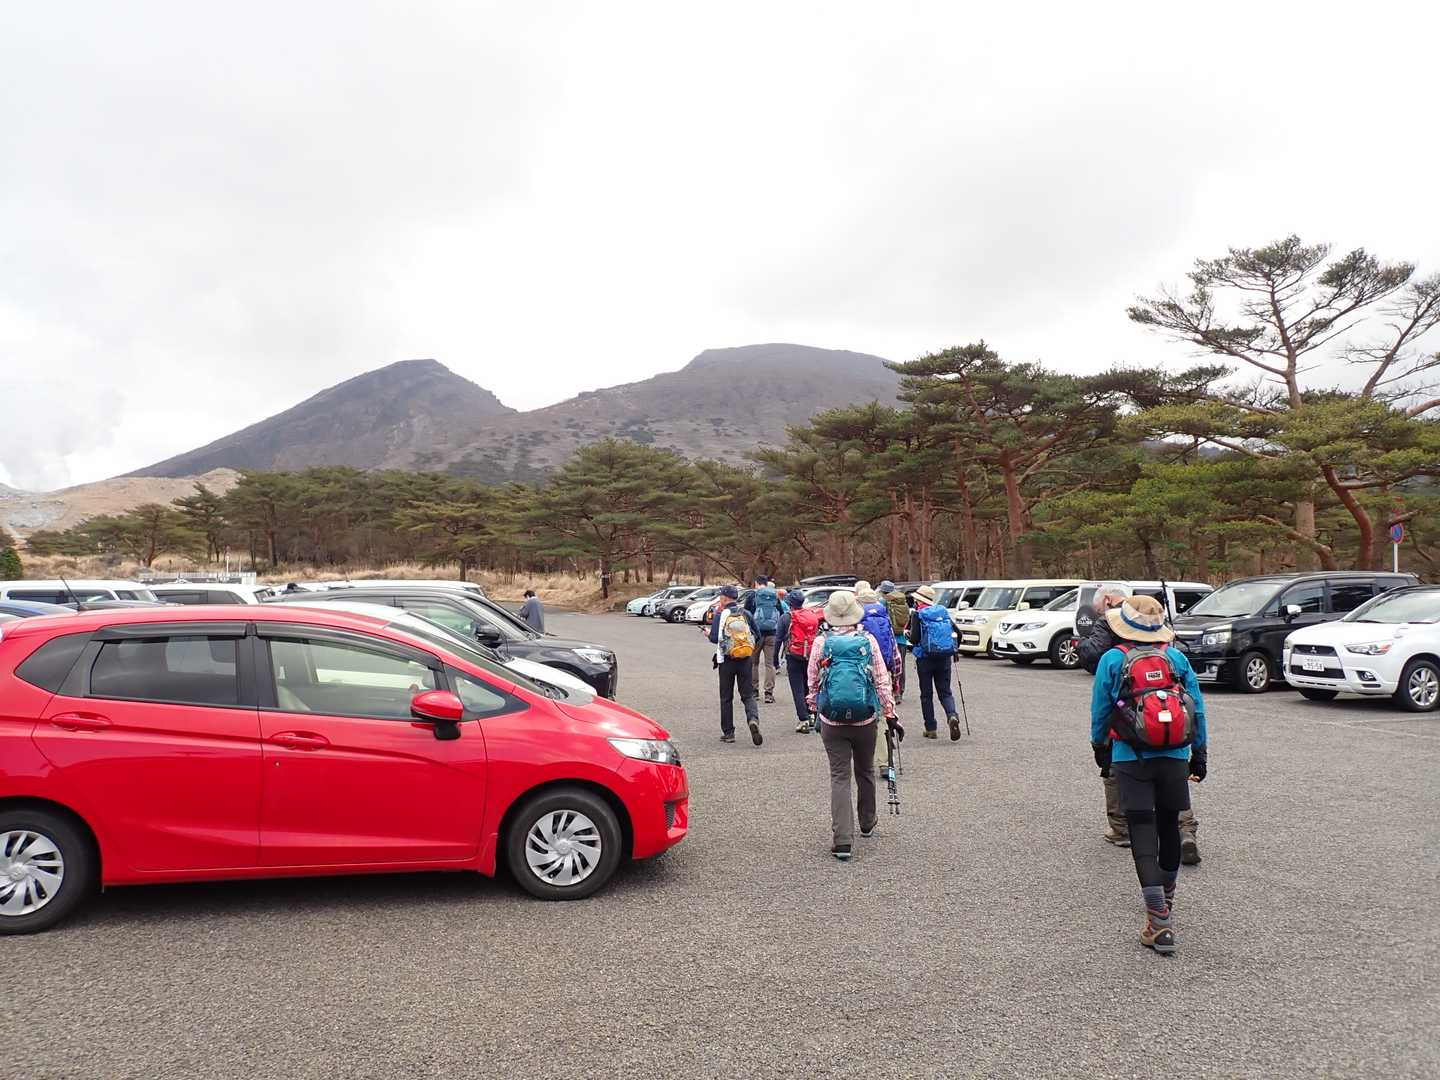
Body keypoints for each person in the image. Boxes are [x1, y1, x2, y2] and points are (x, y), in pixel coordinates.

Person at [1090, 595, 1208, 955]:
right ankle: (1166, 903)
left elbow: (1101, 711)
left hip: (1131, 757)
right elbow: (1197, 708)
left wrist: (1100, 750)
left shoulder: (1113, 659)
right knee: (1169, 828)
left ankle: (1158, 923)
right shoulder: (1176, 658)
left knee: (1142, 833)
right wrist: (1199, 754)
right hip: (1175, 755)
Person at [1082, 588, 1202, 864]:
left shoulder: (1111, 632)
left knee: (1116, 771)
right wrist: (1200, 751)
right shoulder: (1168, 644)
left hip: (1128, 720)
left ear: (1108, 602)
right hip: (1169, 723)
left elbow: (1092, 656)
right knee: (1171, 773)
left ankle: (1121, 828)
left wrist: (1098, 744)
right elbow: (1196, 705)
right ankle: (1184, 830)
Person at [806, 590, 899, 861]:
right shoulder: (867, 641)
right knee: (865, 770)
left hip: (832, 719)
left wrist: (814, 706)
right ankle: (867, 822)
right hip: (865, 718)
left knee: (839, 776)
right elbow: (881, 680)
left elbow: (812, 680)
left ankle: (843, 841)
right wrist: (890, 712)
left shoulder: (821, 642)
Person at [906, 585, 962, 740]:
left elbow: (915, 639)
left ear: (919, 600)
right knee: (945, 692)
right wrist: (954, 650)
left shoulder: (918, 614)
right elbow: (958, 633)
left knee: (926, 695)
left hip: (924, 658)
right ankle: (952, 715)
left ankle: (931, 728)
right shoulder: (942, 612)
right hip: (944, 658)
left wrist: (908, 635)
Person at [710, 585, 763, 746]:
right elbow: (758, 635)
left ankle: (729, 733)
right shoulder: (745, 613)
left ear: (724, 598)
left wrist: (708, 633)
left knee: (726, 697)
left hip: (726, 660)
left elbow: (714, 638)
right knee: (748, 694)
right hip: (745, 659)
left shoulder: (721, 615)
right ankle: (753, 719)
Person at [774, 589, 822, 733]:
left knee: (797, 689)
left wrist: (775, 659)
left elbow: (778, 639)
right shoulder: (811, 615)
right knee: (810, 685)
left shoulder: (785, 618)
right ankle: (812, 714)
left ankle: (803, 719)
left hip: (793, 655)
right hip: (810, 655)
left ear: (790, 603)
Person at [857, 582, 901, 710]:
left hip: (863, 670)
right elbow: (894, 650)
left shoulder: (857, 619)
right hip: (884, 669)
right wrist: (896, 678)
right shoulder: (884, 617)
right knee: (884, 706)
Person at [745, 576, 783, 704]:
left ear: (756, 583)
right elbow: (781, 613)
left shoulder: (752, 596)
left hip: (756, 634)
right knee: (769, 664)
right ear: (766, 584)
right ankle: (769, 693)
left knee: (753, 663)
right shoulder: (774, 596)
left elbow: (746, 614)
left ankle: (754, 691)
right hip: (772, 634)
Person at [879, 581, 908, 704]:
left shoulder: (883, 602)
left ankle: (888, 692)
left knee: (886, 666)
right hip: (902, 640)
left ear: (882, 591)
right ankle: (900, 692)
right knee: (900, 666)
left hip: (889, 639)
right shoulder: (902, 602)